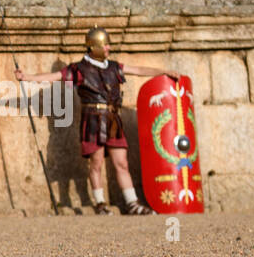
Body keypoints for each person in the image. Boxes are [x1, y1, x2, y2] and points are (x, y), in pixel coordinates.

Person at [16, 28, 176, 215]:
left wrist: (163, 72)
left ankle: (132, 203)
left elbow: (139, 70)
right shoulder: (79, 69)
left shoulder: (114, 67)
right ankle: (100, 203)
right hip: (93, 119)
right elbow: (54, 77)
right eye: (104, 45)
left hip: (113, 119)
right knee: (96, 162)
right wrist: (26, 77)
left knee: (121, 162)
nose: (108, 48)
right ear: (93, 47)